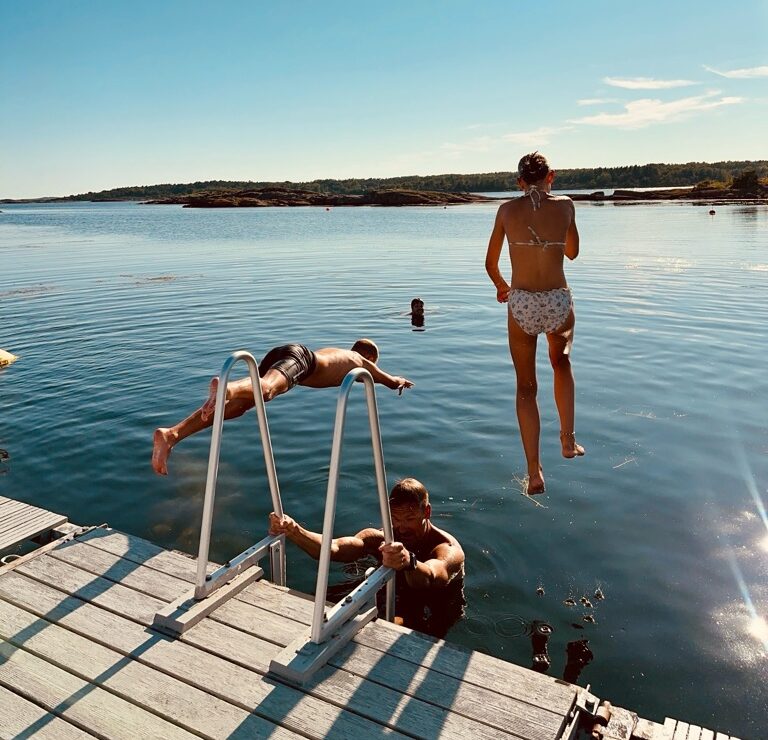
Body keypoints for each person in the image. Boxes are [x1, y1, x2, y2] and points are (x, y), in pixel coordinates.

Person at [152, 339, 413, 475]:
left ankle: (173, 434)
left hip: (285, 353)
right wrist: (399, 381)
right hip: (301, 359)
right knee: (266, 390)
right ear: (368, 356)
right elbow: (387, 380)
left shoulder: (339, 353)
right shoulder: (360, 361)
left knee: (239, 407)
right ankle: (227, 388)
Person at [485, 152, 585, 495]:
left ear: (519, 182)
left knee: (526, 387)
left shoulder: (506, 211)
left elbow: (490, 263)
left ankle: (534, 472)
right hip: (557, 298)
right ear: (551, 176)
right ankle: (568, 442)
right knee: (562, 363)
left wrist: (502, 288)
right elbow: (572, 252)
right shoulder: (567, 205)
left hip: (523, 302)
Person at [268, 477, 466, 638]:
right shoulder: (382, 538)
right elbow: (335, 548)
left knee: (391, 628)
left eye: (410, 519)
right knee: (326, 607)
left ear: (427, 512)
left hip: (434, 608)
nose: (401, 528)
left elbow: (432, 576)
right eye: (395, 520)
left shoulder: (447, 549)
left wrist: (408, 561)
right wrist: (295, 531)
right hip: (392, 596)